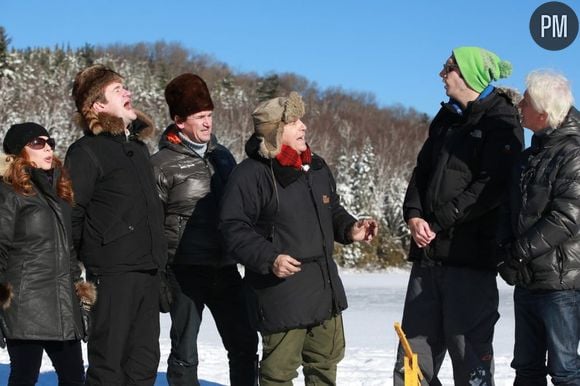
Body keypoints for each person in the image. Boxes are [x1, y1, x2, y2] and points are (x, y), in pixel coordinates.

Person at [219, 92, 378, 386]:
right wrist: (270, 258)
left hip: (323, 288)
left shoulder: (316, 167)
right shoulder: (251, 174)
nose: (303, 126)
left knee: (324, 367)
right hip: (281, 294)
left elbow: (332, 210)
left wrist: (350, 228)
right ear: (276, 131)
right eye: (294, 122)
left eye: (301, 119)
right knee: (278, 376)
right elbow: (233, 228)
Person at [394, 46, 524, 385]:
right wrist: (414, 215)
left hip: (469, 260)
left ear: (467, 74)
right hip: (428, 258)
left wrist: (437, 222)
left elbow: (491, 188)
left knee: (469, 356)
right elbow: (422, 172)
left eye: (447, 69)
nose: (441, 75)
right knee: (413, 355)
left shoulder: (502, 118)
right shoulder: (446, 117)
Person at [151, 73, 258, 386]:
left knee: (245, 343)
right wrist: (159, 277)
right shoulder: (160, 164)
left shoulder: (223, 156)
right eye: (200, 117)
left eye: (210, 115)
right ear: (179, 120)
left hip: (225, 268)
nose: (207, 123)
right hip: (184, 270)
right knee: (185, 351)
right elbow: (152, 224)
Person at [65, 64, 167, 385]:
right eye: (117, 89)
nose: (128, 92)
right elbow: (70, 215)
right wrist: (76, 274)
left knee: (144, 364)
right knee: (108, 366)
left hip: (147, 272)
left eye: (126, 87)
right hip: (111, 275)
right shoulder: (85, 151)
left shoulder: (138, 149)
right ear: (97, 105)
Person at [496, 70, 580, 386]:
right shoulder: (528, 157)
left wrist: (518, 252)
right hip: (528, 281)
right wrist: (504, 252)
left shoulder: (574, 154)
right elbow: (510, 208)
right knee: (527, 369)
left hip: (562, 285)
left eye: (526, 103)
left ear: (543, 113)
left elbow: (566, 218)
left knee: (565, 371)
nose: (520, 107)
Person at [0, 123, 96, 385]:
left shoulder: (60, 192)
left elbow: (70, 252)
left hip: (62, 306)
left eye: (49, 141)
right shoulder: (8, 192)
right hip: (24, 306)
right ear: (18, 153)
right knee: (24, 377)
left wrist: (80, 298)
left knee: (75, 377)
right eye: (37, 143)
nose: (48, 147)